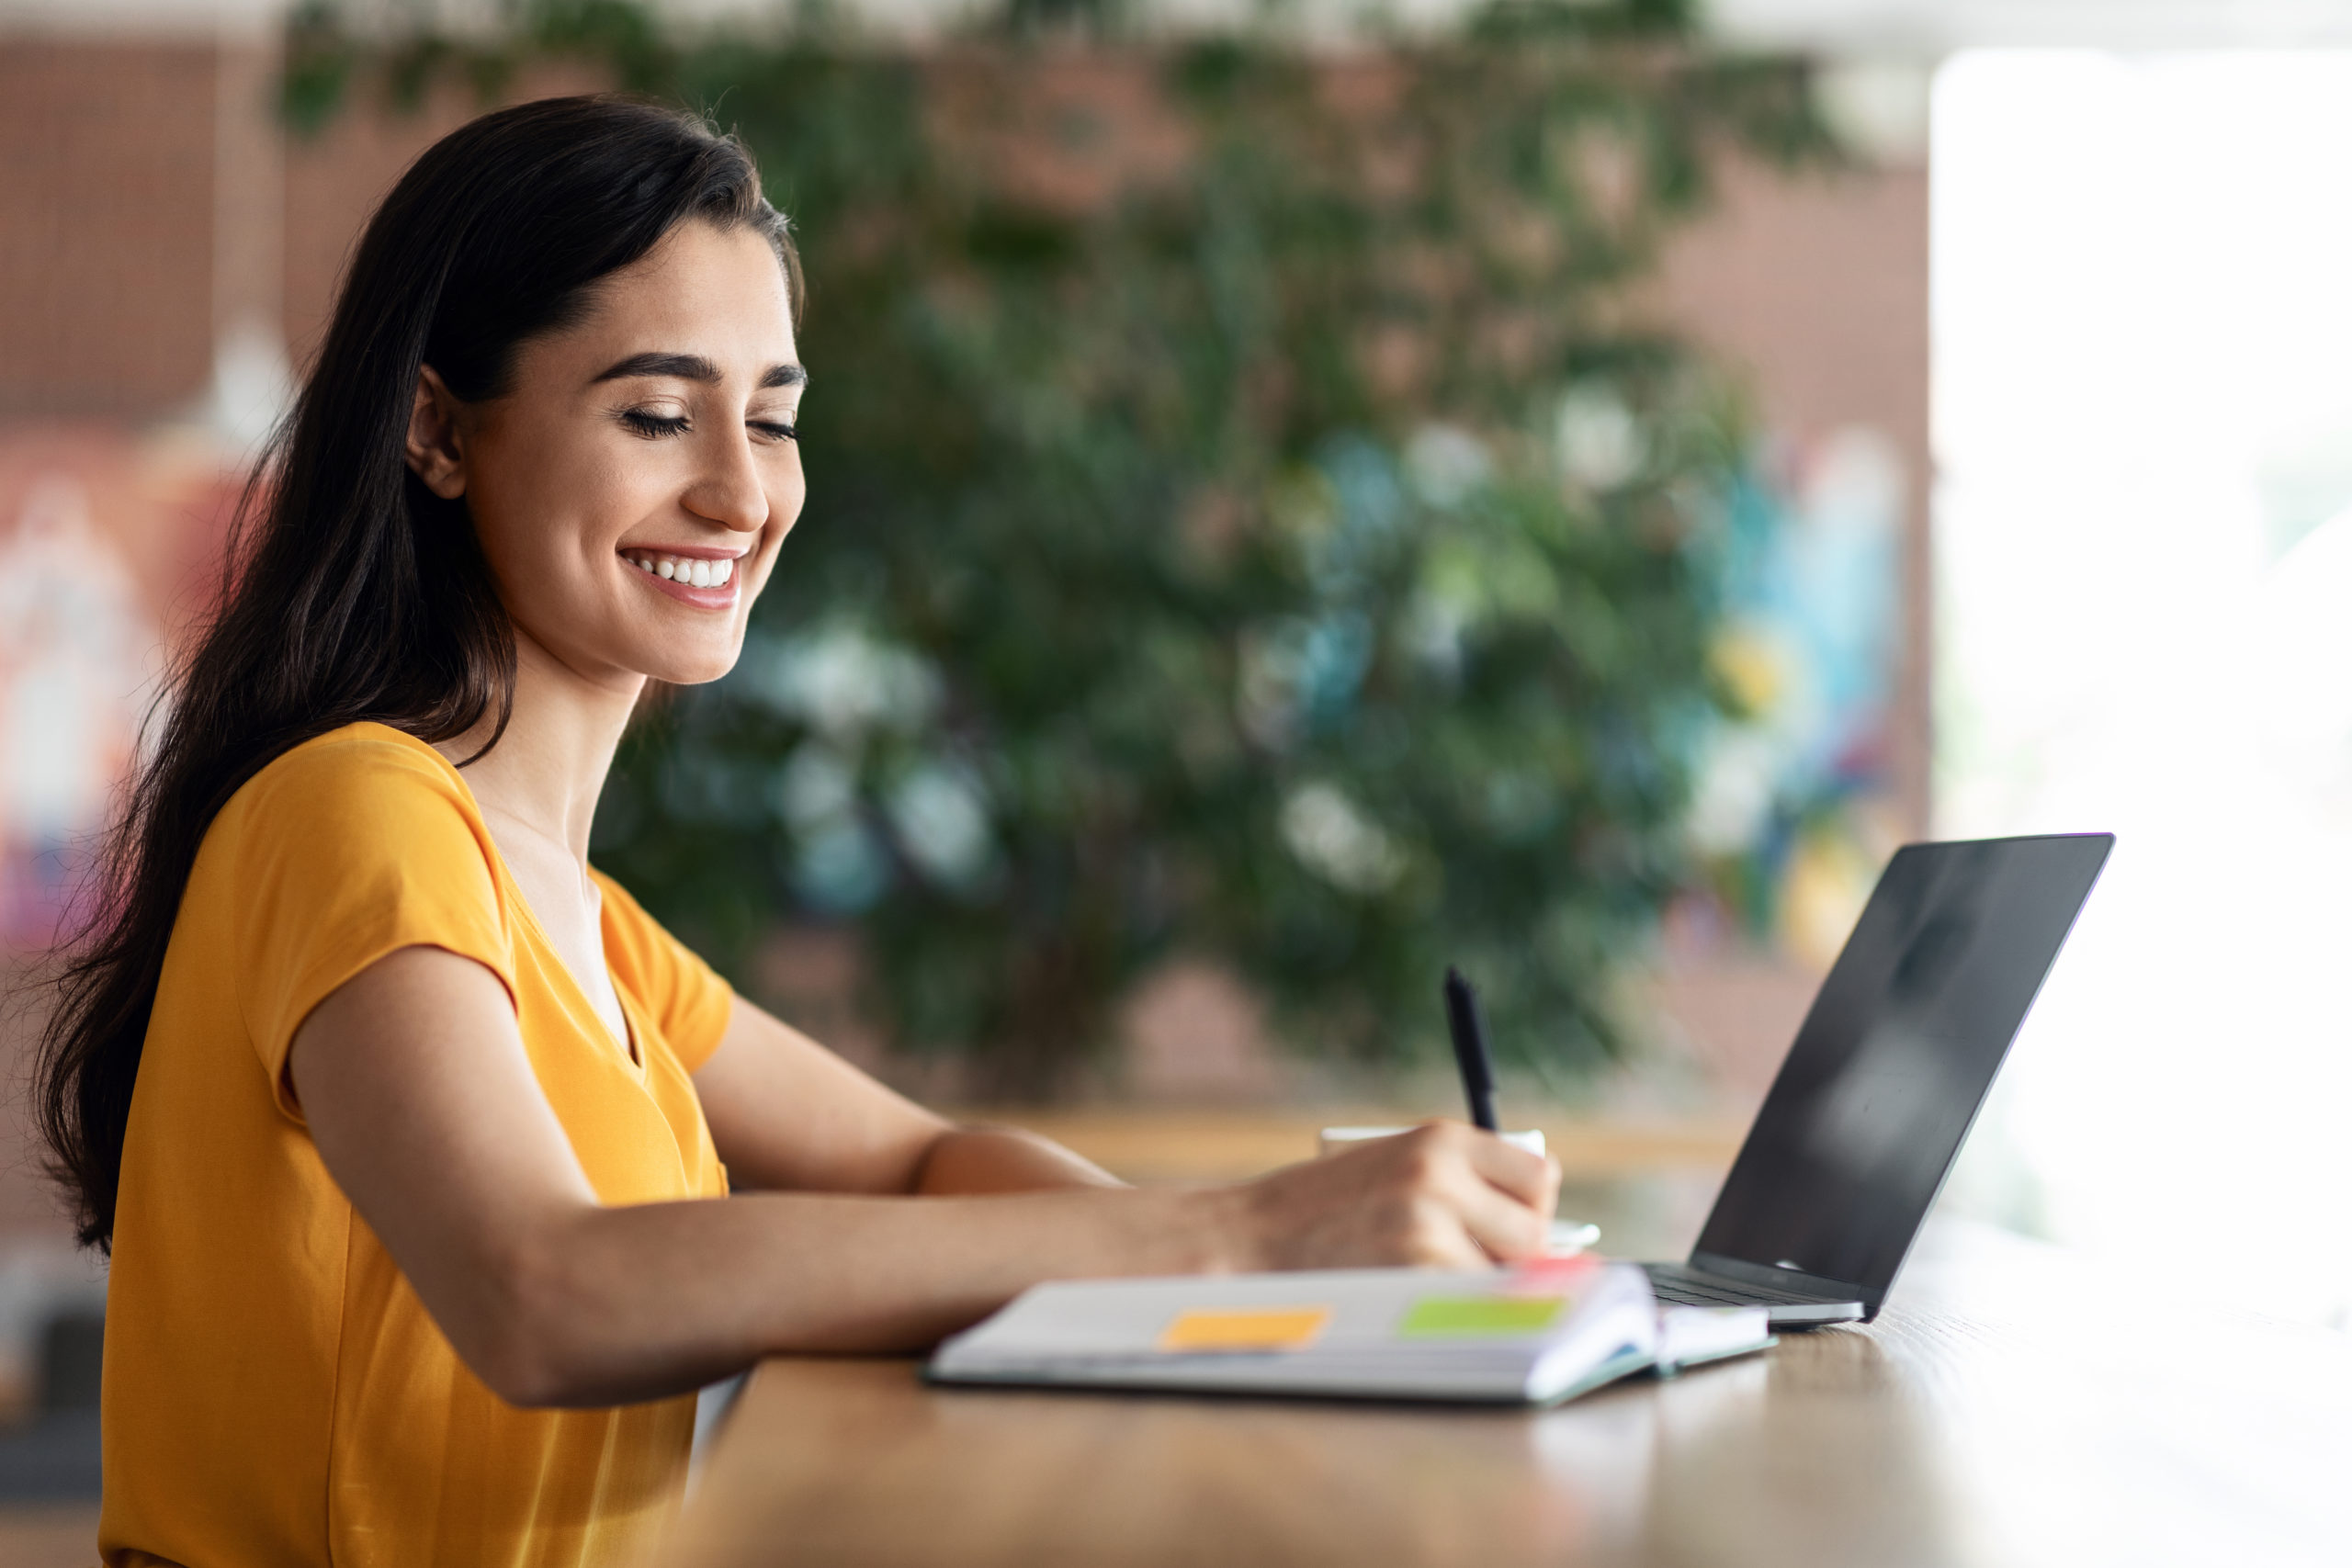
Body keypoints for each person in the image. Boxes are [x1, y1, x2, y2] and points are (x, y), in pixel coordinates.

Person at [32, 96, 1560, 1565]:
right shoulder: (356, 811)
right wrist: (1242, 1240)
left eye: (772, 419)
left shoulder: (583, 923)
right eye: (655, 415)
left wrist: (1307, 1266)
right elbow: (541, 1291)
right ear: (437, 428)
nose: (739, 491)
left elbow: (921, 1166)